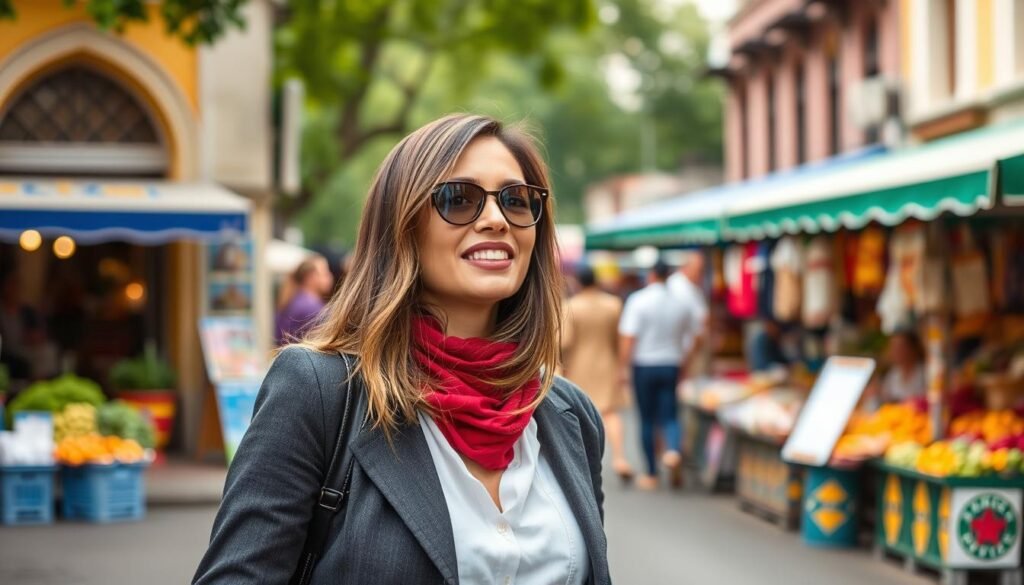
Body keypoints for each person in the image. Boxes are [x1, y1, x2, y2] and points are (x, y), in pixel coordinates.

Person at [194, 114, 610, 585]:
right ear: (402, 225)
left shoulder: (570, 414)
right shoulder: (318, 391)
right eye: (459, 198)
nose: (497, 219)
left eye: (516, 200)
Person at [619, 259, 697, 491]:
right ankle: (672, 450)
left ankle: (651, 473)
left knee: (646, 419)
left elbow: (628, 337)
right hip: (671, 363)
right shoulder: (681, 303)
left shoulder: (638, 300)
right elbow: (695, 335)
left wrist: (622, 367)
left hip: (644, 365)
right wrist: (686, 360)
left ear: (652, 275)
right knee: (670, 414)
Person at [562, 264, 634, 482]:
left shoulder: (571, 306)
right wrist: (622, 366)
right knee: (610, 412)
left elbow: (565, 341)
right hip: (608, 364)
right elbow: (621, 338)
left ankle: (584, 462)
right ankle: (620, 458)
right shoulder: (614, 304)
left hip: (578, 367)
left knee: (580, 414)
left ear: (578, 282)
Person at [273, 254, 333, 346]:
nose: (330, 277)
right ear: (310, 277)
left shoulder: (291, 300)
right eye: (325, 273)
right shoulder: (311, 308)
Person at [879, 330, 926, 404]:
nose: (896, 351)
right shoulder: (892, 374)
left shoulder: (925, 373)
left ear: (913, 348)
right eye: (893, 347)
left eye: (901, 347)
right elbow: (884, 400)